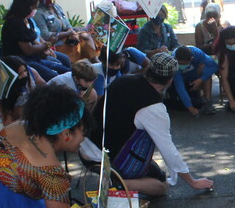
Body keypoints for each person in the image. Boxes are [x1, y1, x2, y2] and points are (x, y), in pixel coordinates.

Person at [92, 52, 214, 196]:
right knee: (161, 186)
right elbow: (167, 148)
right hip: (106, 159)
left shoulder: (124, 80)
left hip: (90, 144)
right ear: (170, 80)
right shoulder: (153, 107)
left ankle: (118, 179)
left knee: (159, 174)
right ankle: (114, 183)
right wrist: (192, 181)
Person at [0, 0, 71, 81]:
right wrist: (48, 44)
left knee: (67, 71)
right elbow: (28, 50)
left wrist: (46, 49)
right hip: (22, 62)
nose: (34, 10)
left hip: (34, 58)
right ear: (25, 7)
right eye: (33, 7)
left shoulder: (26, 20)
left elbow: (34, 39)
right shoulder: (15, 23)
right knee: (55, 77)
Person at [31, 0, 100, 63]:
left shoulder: (57, 7)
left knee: (87, 34)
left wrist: (71, 32)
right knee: (84, 38)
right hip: (56, 44)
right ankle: (95, 62)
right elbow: (45, 35)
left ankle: (96, 60)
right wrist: (66, 34)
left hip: (69, 40)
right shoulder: (38, 13)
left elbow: (67, 24)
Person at [170, 45, 219, 116]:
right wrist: (191, 108)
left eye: (184, 64)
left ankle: (208, 102)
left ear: (191, 59)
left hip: (196, 75)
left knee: (206, 73)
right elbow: (179, 86)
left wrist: (201, 79)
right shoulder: (173, 62)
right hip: (183, 79)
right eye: (179, 63)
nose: (181, 65)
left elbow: (213, 65)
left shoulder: (198, 53)